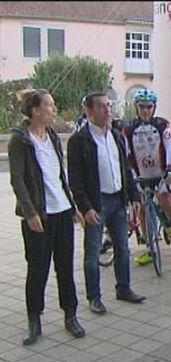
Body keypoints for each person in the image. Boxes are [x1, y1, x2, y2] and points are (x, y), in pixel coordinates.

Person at [9, 89, 86, 345]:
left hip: (62, 211)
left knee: (65, 267)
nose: (54, 110)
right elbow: (17, 180)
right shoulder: (20, 140)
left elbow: (59, 177)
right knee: (38, 270)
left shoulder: (52, 136)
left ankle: (71, 315)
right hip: (39, 216)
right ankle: (34, 320)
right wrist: (30, 212)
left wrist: (73, 205)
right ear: (35, 111)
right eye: (50, 106)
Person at [68, 92, 146, 315]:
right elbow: (76, 179)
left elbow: (126, 169)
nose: (108, 110)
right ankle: (94, 297)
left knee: (123, 247)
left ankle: (124, 288)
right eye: (102, 107)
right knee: (93, 252)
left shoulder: (117, 136)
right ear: (89, 112)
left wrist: (134, 196)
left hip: (118, 200)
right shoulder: (79, 141)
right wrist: (85, 207)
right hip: (97, 202)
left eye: (109, 106)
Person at [123, 88, 171, 266]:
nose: (145, 110)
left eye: (149, 107)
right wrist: (130, 175)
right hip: (141, 175)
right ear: (136, 107)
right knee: (143, 210)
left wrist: (169, 169)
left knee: (164, 201)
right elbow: (126, 154)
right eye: (142, 106)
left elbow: (169, 146)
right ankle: (150, 249)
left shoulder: (161, 124)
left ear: (154, 107)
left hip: (160, 174)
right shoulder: (129, 128)